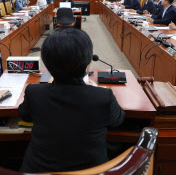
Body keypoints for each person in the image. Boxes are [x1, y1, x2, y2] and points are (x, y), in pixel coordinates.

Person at [19, 28, 125, 173]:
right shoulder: (103, 96)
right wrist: (93, 88)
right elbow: (118, 120)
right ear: (88, 64)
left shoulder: (34, 92)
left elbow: (24, 114)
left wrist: (48, 87)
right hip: (92, 171)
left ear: (47, 63)